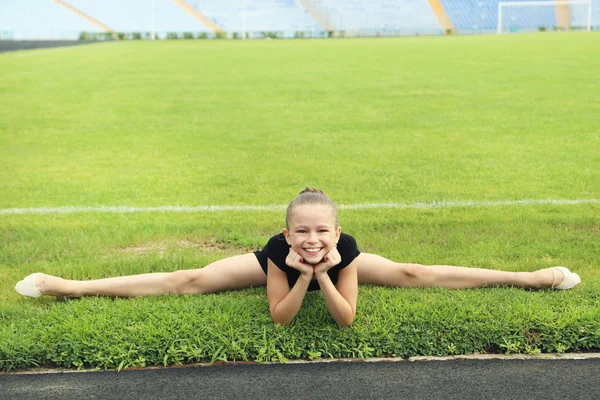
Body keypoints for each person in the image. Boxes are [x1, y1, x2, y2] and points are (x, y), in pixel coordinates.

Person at [15, 188, 581, 326]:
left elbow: (347, 318)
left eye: (322, 231)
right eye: (301, 232)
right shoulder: (279, 252)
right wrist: (300, 272)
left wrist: (327, 272)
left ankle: (529, 278)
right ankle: (70, 286)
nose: (312, 238)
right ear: (287, 232)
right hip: (281, 274)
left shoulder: (344, 249)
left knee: (414, 273)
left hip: (331, 274)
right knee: (187, 279)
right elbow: (280, 319)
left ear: (337, 231)